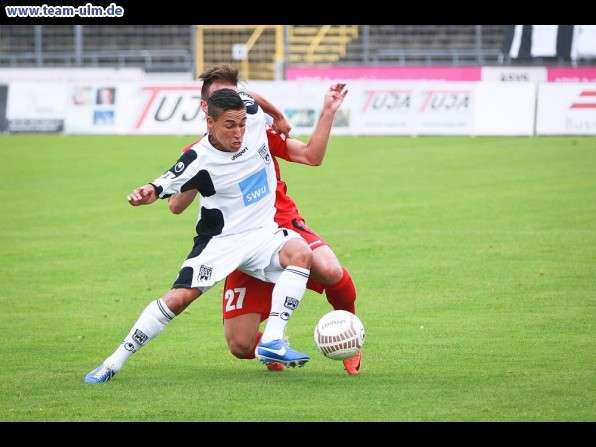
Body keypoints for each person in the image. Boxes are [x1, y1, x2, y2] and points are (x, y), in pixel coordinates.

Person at [84, 88, 314, 383]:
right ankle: (112, 363)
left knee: (301, 253)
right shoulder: (198, 158)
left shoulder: (252, 118)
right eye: (229, 125)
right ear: (210, 123)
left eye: (241, 124)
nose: (239, 132)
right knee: (178, 300)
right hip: (221, 243)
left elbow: (251, 98)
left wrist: (279, 116)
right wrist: (145, 194)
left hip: (262, 233)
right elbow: (162, 183)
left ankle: (272, 341)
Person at [169, 65, 361, 375]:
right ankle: (276, 346)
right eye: (222, 98)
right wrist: (198, 170)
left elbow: (312, 156)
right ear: (206, 108)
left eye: (238, 96)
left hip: (280, 222)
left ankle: (350, 332)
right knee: (240, 345)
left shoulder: (258, 132)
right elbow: (176, 207)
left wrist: (327, 112)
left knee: (328, 267)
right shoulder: (196, 154)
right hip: (238, 242)